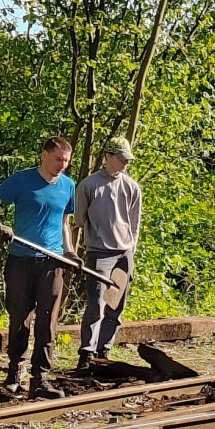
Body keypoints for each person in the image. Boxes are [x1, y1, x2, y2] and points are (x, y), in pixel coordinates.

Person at [0, 137, 77, 399]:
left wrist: (70, 251)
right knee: (20, 317)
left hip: (52, 262)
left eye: (66, 161)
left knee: (47, 320)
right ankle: (14, 373)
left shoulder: (68, 186)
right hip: (21, 260)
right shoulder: (21, 180)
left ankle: (40, 379)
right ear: (43, 155)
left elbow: (65, 223)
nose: (62, 165)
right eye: (57, 159)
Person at [74, 137, 142, 369]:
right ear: (109, 157)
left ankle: (105, 350)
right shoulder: (89, 185)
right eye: (121, 159)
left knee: (116, 304)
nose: (125, 163)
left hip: (124, 254)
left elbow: (134, 223)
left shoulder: (132, 187)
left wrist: (131, 248)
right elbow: (79, 219)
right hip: (99, 253)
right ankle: (87, 352)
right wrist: (97, 236)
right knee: (96, 304)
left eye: (127, 160)